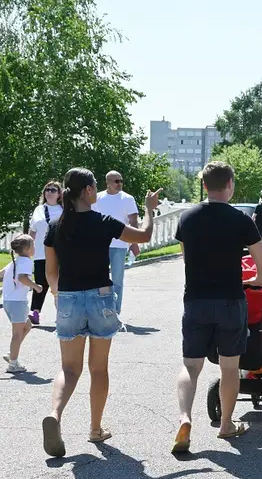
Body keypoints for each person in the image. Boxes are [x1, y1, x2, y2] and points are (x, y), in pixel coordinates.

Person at [42, 168, 159, 458]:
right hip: (100, 297)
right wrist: (148, 209)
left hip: (68, 298)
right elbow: (143, 236)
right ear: (89, 191)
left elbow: (50, 273)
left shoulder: (56, 226)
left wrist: (59, 296)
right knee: (98, 367)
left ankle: (55, 415)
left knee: (69, 369)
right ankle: (95, 429)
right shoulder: (103, 222)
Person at [172, 162, 262, 452]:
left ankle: (185, 419)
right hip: (230, 300)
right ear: (230, 185)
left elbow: (186, 259)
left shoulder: (187, 218)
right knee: (229, 367)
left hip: (196, 300)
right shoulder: (241, 220)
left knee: (191, 366)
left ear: (204, 185)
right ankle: (226, 425)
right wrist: (255, 281)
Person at [91, 171, 139, 316]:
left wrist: (134, 242)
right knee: (100, 278)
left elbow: (133, 222)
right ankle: (101, 309)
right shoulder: (98, 197)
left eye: (121, 181)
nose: (119, 184)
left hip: (120, 244)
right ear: (108, 182)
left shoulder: (127, 198)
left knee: (117, 279)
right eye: (116, 181)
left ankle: (115, 312)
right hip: (100, 244)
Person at [1, 234, 42, 373]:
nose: (35, 247)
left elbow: (2, 274)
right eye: (33, 245)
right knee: (17, 334)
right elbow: (22, 278)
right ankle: (13, 364)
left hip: (8, 302)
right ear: (26, 249)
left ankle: (11, 353)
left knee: (27, 326)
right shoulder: (26, 261)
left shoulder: (15, 261)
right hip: (17, 303)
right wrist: (36, 286)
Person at [28, 181, 63, 325]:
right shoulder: (39, 209)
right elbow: (32, 231)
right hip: (41, 253)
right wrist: (26, 249)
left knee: (60, 284)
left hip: (60, 253)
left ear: (59, 194)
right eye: (47, 189)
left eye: (53, 190)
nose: (49, 192)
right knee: (40, 283)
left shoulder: (64, 209)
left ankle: (62, 314)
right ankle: (35, 312)